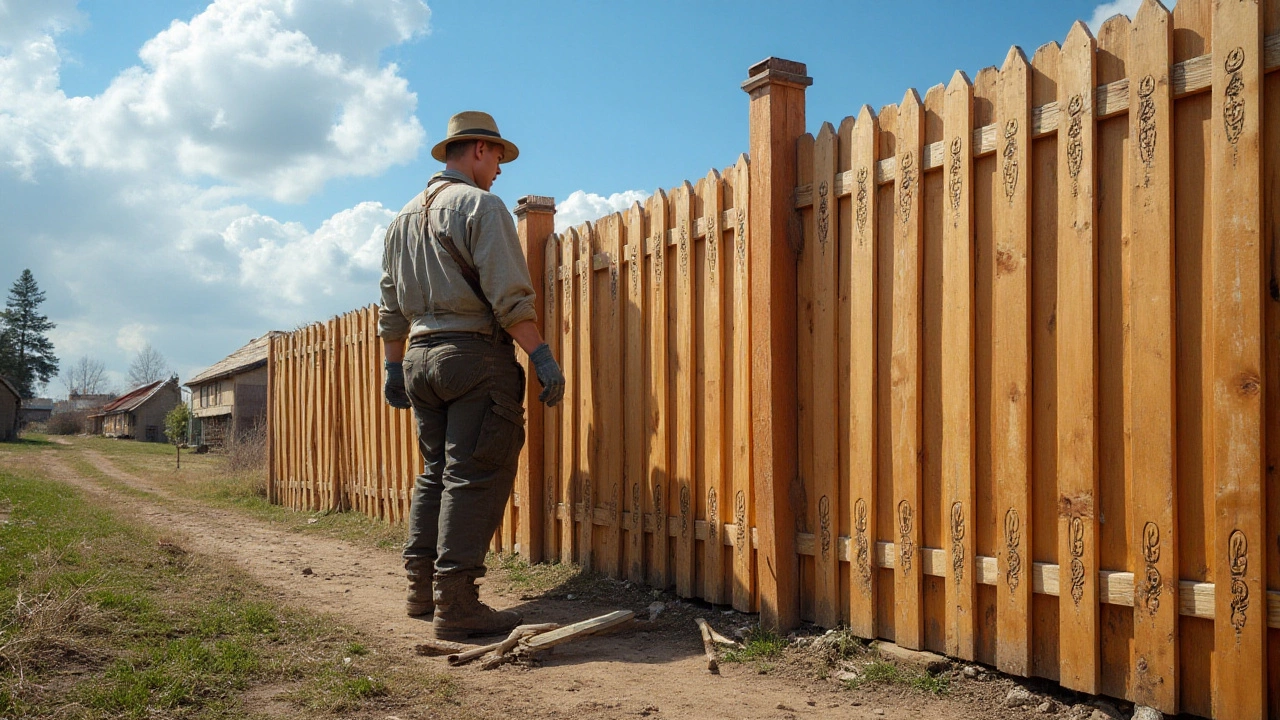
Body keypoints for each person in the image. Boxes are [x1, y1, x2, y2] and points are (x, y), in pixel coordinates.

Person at [377, 110, 565, 641]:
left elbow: (389, 309)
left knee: (435, 471)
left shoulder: (401, 220)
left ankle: (421, 589)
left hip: (418, 360)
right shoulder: (480, 206)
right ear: (479, 150)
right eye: (499, 157)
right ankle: (456, 604)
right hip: (473, 357)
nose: (501, 170)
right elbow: (509, 295)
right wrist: (541, 355)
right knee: (475, 474)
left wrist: (394, 369)